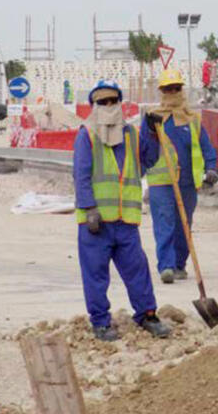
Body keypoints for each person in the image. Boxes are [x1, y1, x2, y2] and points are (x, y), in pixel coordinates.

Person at [73, 80, 171, 341]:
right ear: (93, 106)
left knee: (137, 269)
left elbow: (147, 161)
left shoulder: (131, 134)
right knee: (95, 275)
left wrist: (152, 132)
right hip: (96, 222)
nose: (108, 106)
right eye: (102, 102)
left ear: (120, 103)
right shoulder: (87, 134)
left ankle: (147, 315)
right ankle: (101, 322)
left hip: (125, 222)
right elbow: (81, 175)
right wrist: (88, 206)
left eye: (112, 101)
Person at [141, 69, 218, 284]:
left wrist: (211, 168)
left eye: (176, 88)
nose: (173, 92)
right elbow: (144, 151)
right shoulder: (153, 119)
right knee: (164, 223)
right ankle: (166, 266)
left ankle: (179, 264)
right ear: (162, 91)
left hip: (187, 183)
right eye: (168, 89)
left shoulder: (192, 119)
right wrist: (149, 132)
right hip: (161, 182)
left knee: (184, 224)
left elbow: (206, 146)